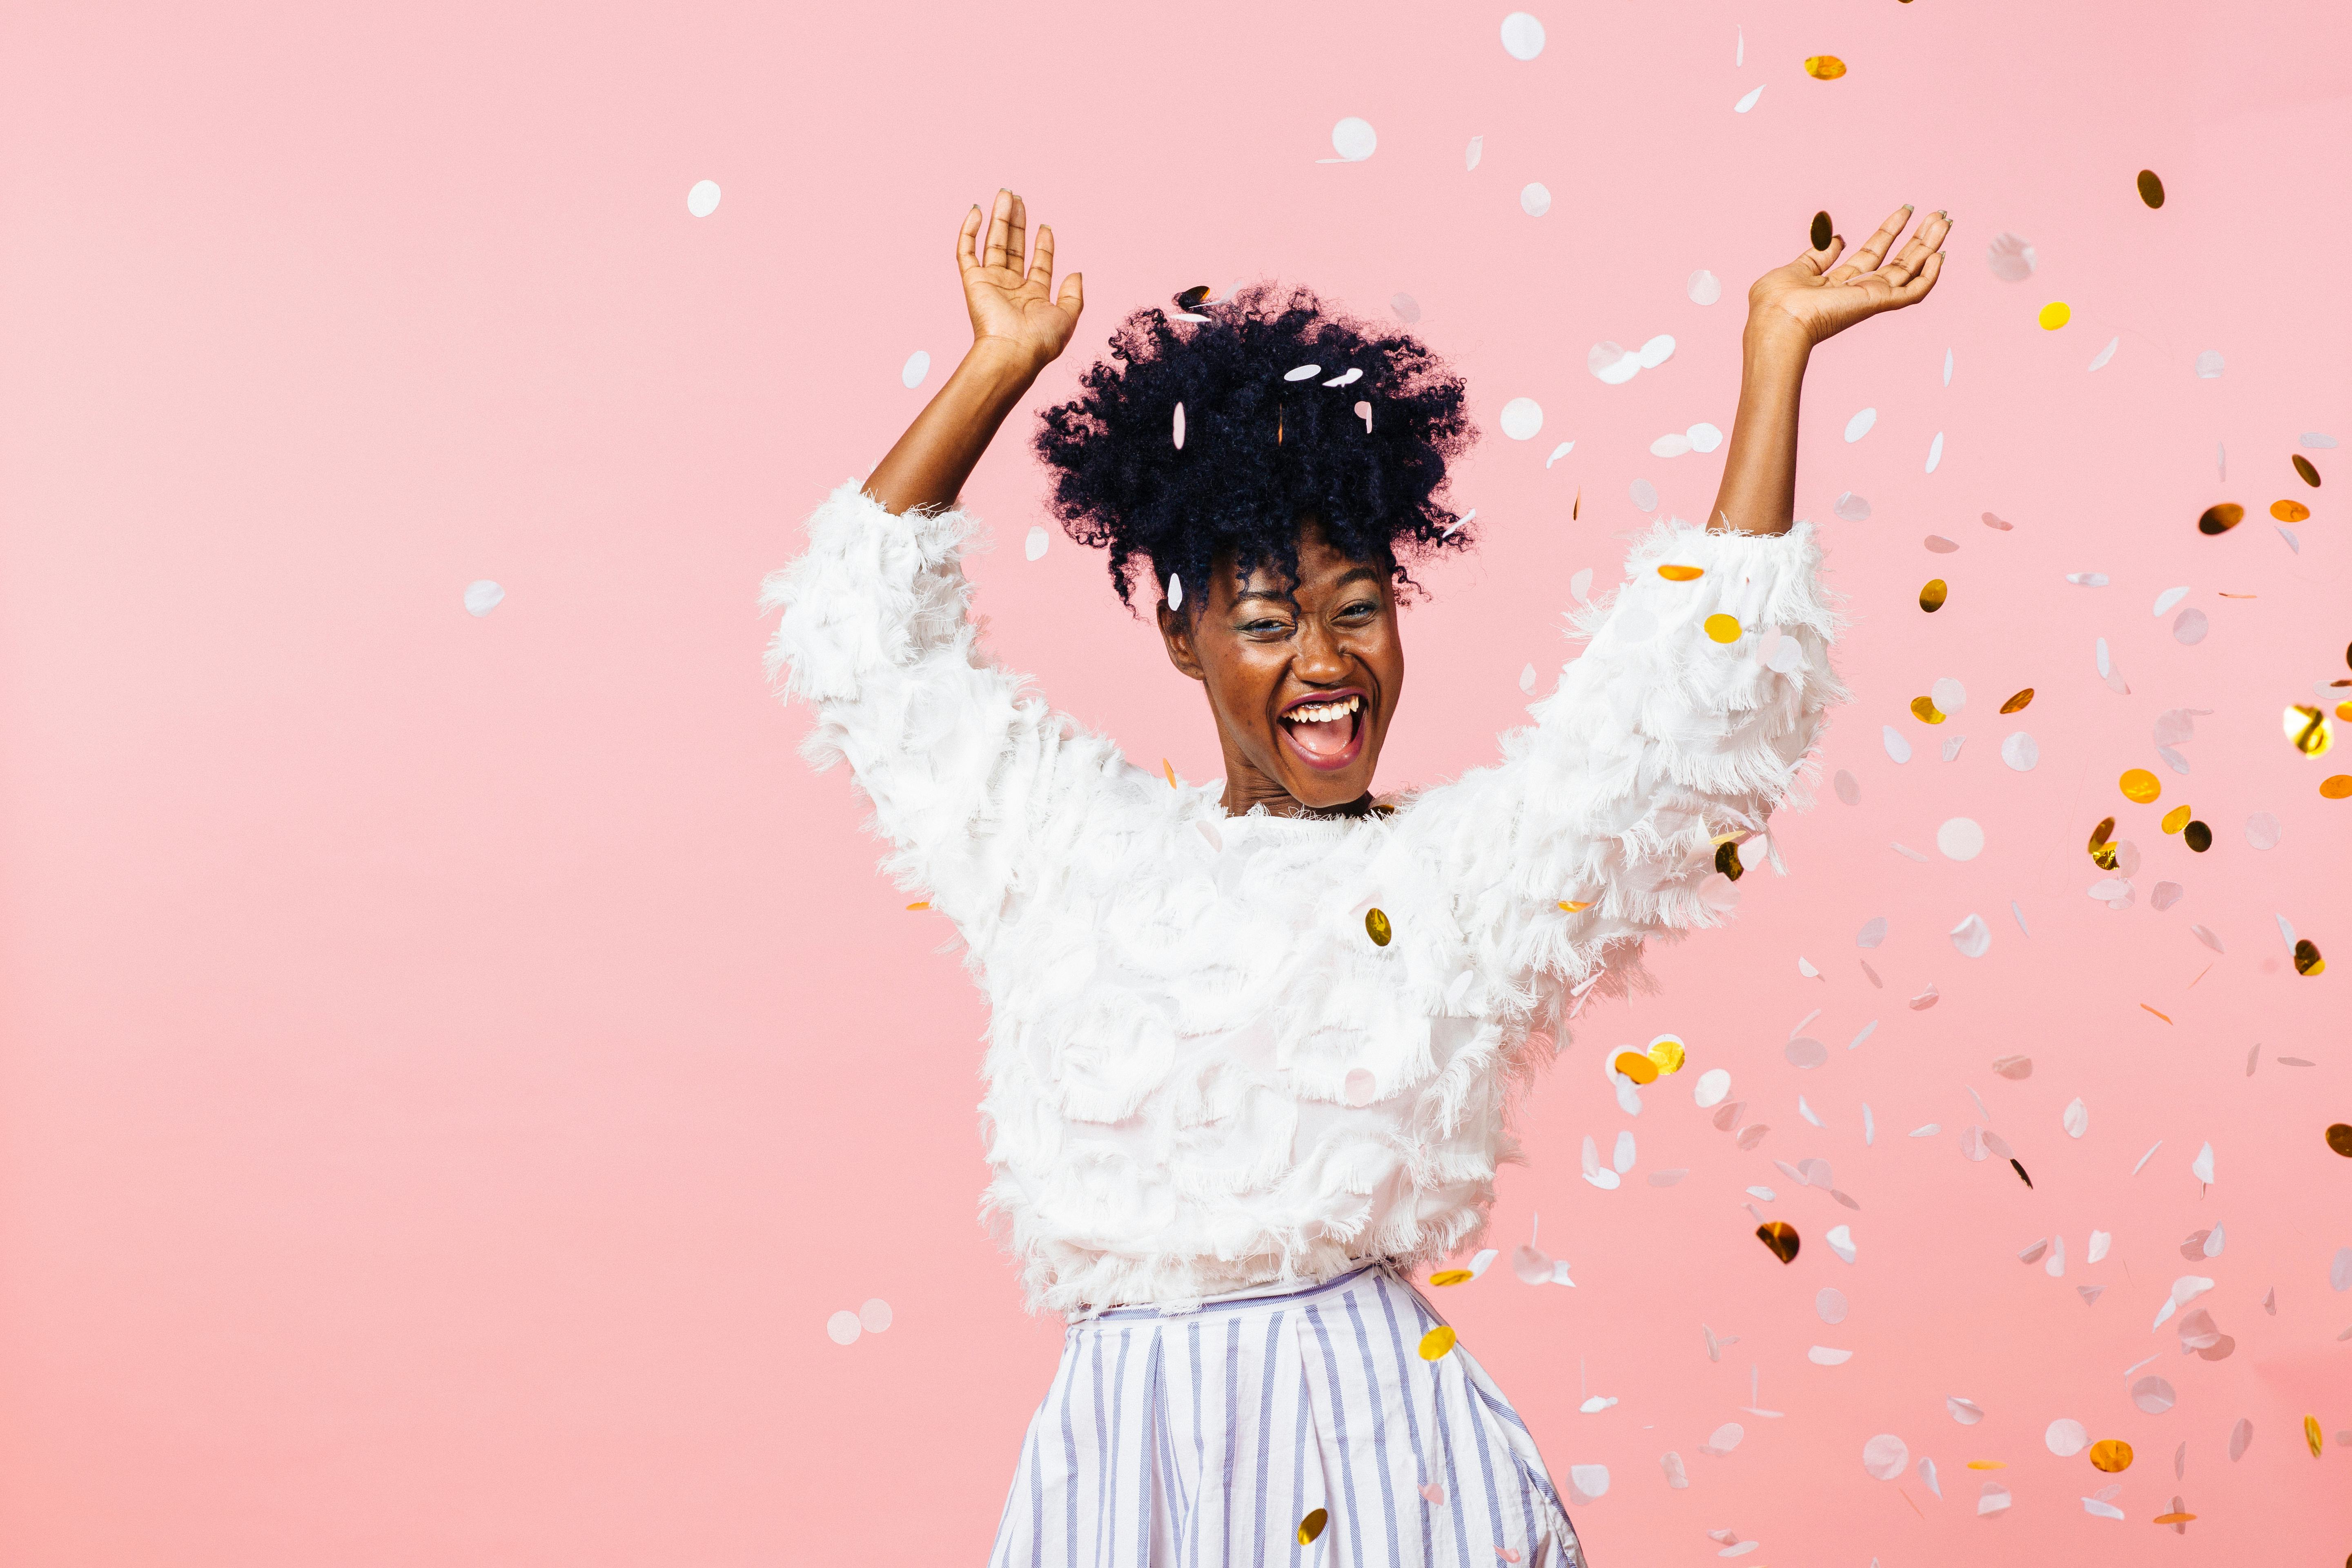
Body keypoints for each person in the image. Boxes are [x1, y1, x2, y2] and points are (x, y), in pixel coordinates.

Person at [763, 189, 1947, 1567]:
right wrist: (993, 371)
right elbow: (860, 642)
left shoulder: (1459, 884)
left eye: (1359, 610)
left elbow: (1694, 708)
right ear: (1181, 638)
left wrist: (1775, 350)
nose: (1324, 665)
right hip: (1122, 1470)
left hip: (1382, 1451)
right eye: (1267, 621)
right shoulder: (1064, 852)